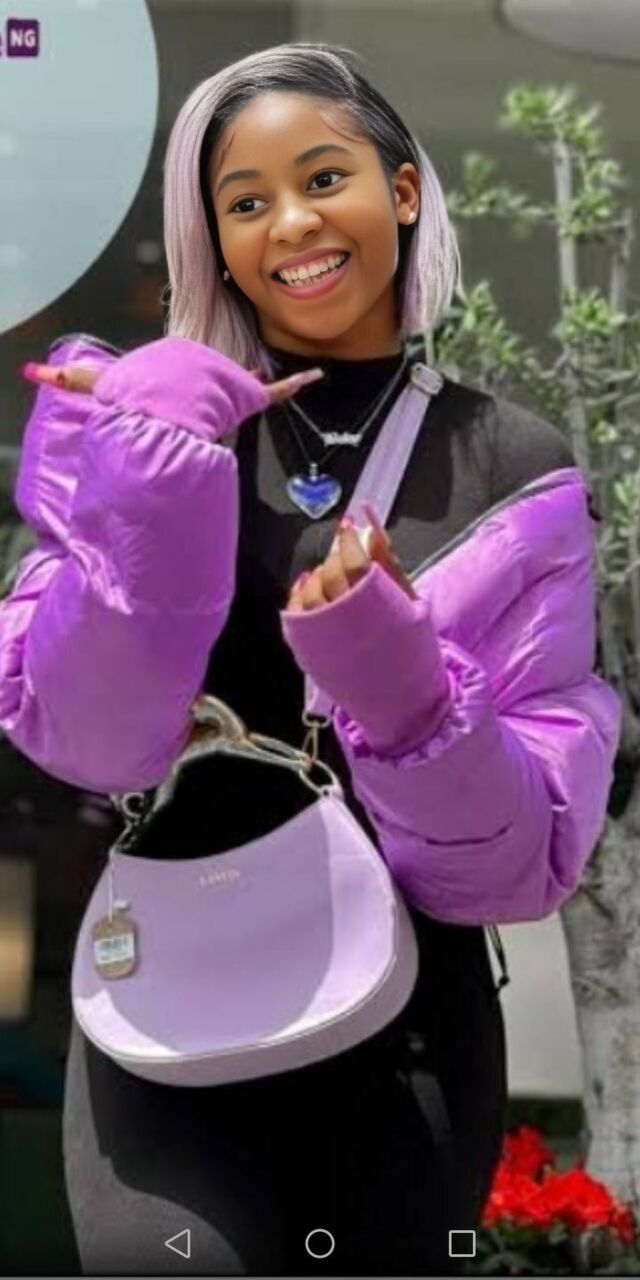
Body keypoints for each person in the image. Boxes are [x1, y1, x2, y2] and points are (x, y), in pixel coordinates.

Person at [0, 41, 621, 1278]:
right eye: (245, 202)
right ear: (216, 241)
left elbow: (518, 858)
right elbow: (84, 739)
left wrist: (391, 669)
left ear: (402, 190)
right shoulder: (131, 416)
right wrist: (149, 472)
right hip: (162, 998)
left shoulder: (510, 463)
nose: (290, 224)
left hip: (406, 1025)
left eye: (323, 178)